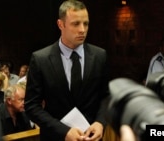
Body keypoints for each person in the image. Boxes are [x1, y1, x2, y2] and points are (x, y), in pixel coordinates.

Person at [24, 0, 109, 140]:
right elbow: (32, 106)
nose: (82, 29)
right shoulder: (41, 59)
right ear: (60, 24)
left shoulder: (100, 56)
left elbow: (106, 97)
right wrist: (64, 131)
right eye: (76, 24)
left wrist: (100, 122)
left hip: (91, 137)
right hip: (56, 137)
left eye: (86, 23)